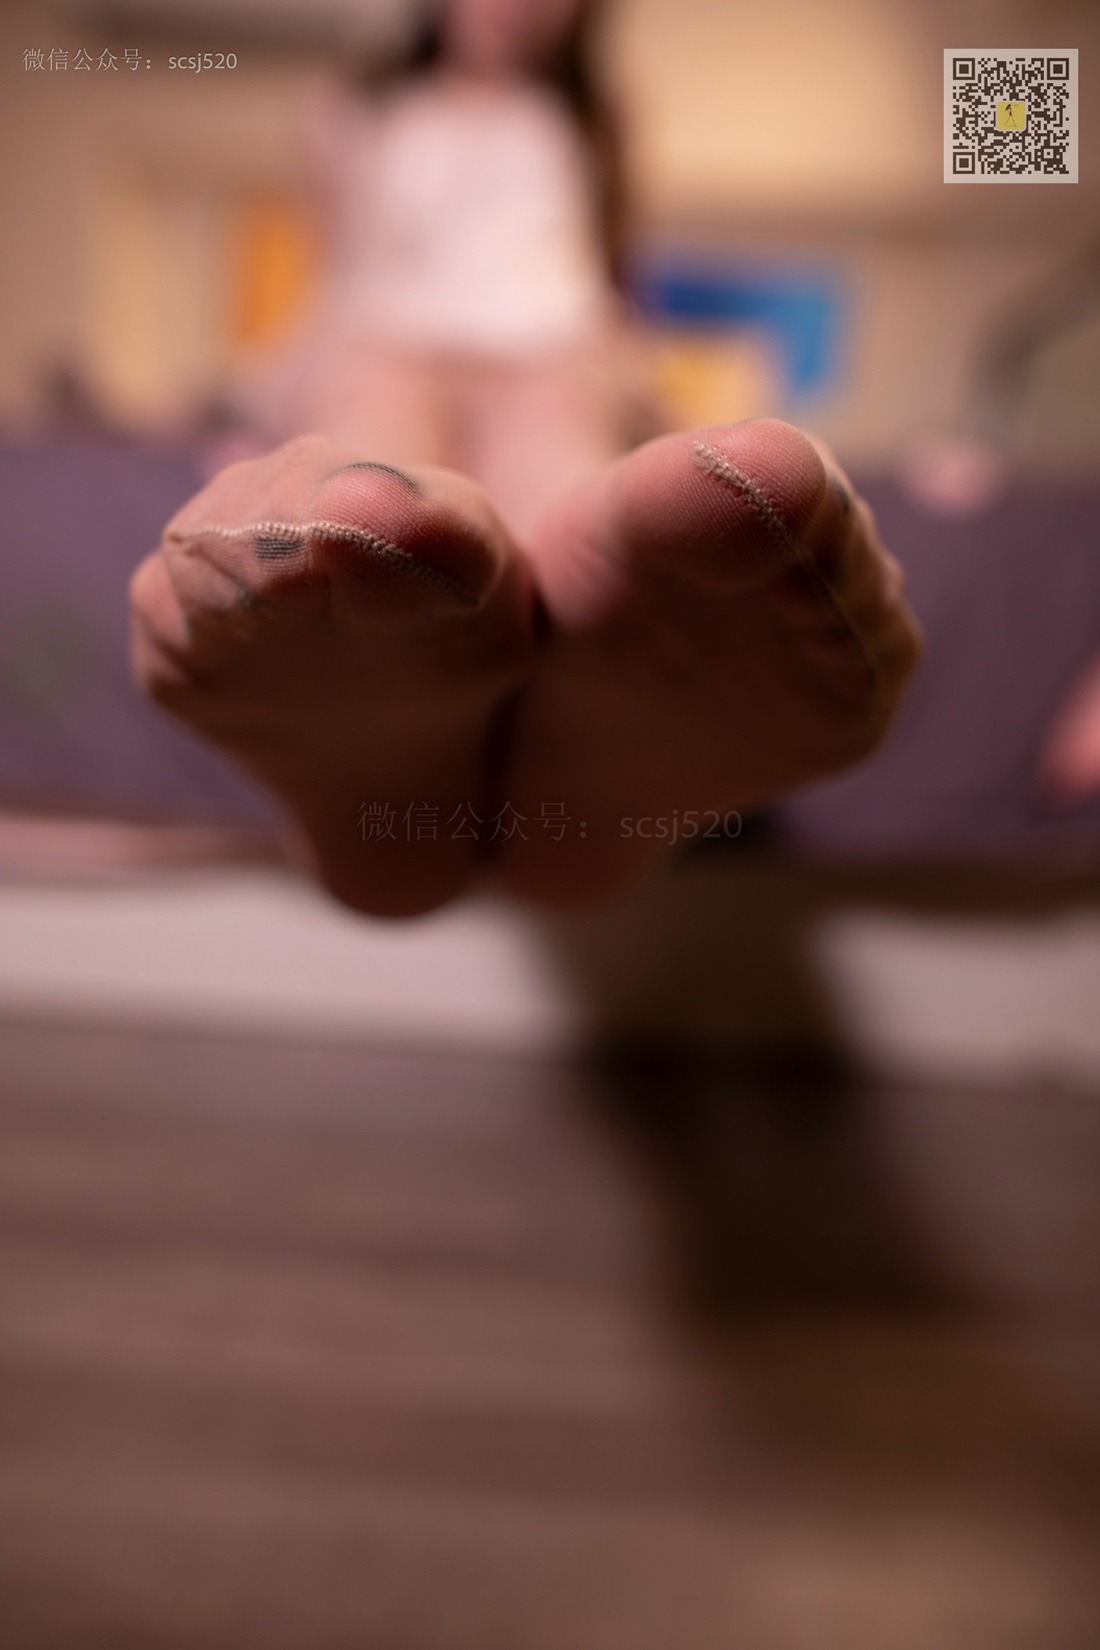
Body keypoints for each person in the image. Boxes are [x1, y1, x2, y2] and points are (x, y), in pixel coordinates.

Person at [129, 0, 922, 917]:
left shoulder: (592, 117)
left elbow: (607, 284)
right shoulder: (349, 106)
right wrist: (238, 392)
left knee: (557, 448)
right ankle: (440, 695)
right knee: (373, 445)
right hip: (386, 331)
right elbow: (333, 278)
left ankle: (567, 666)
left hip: (550, 345)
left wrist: (653, 398)